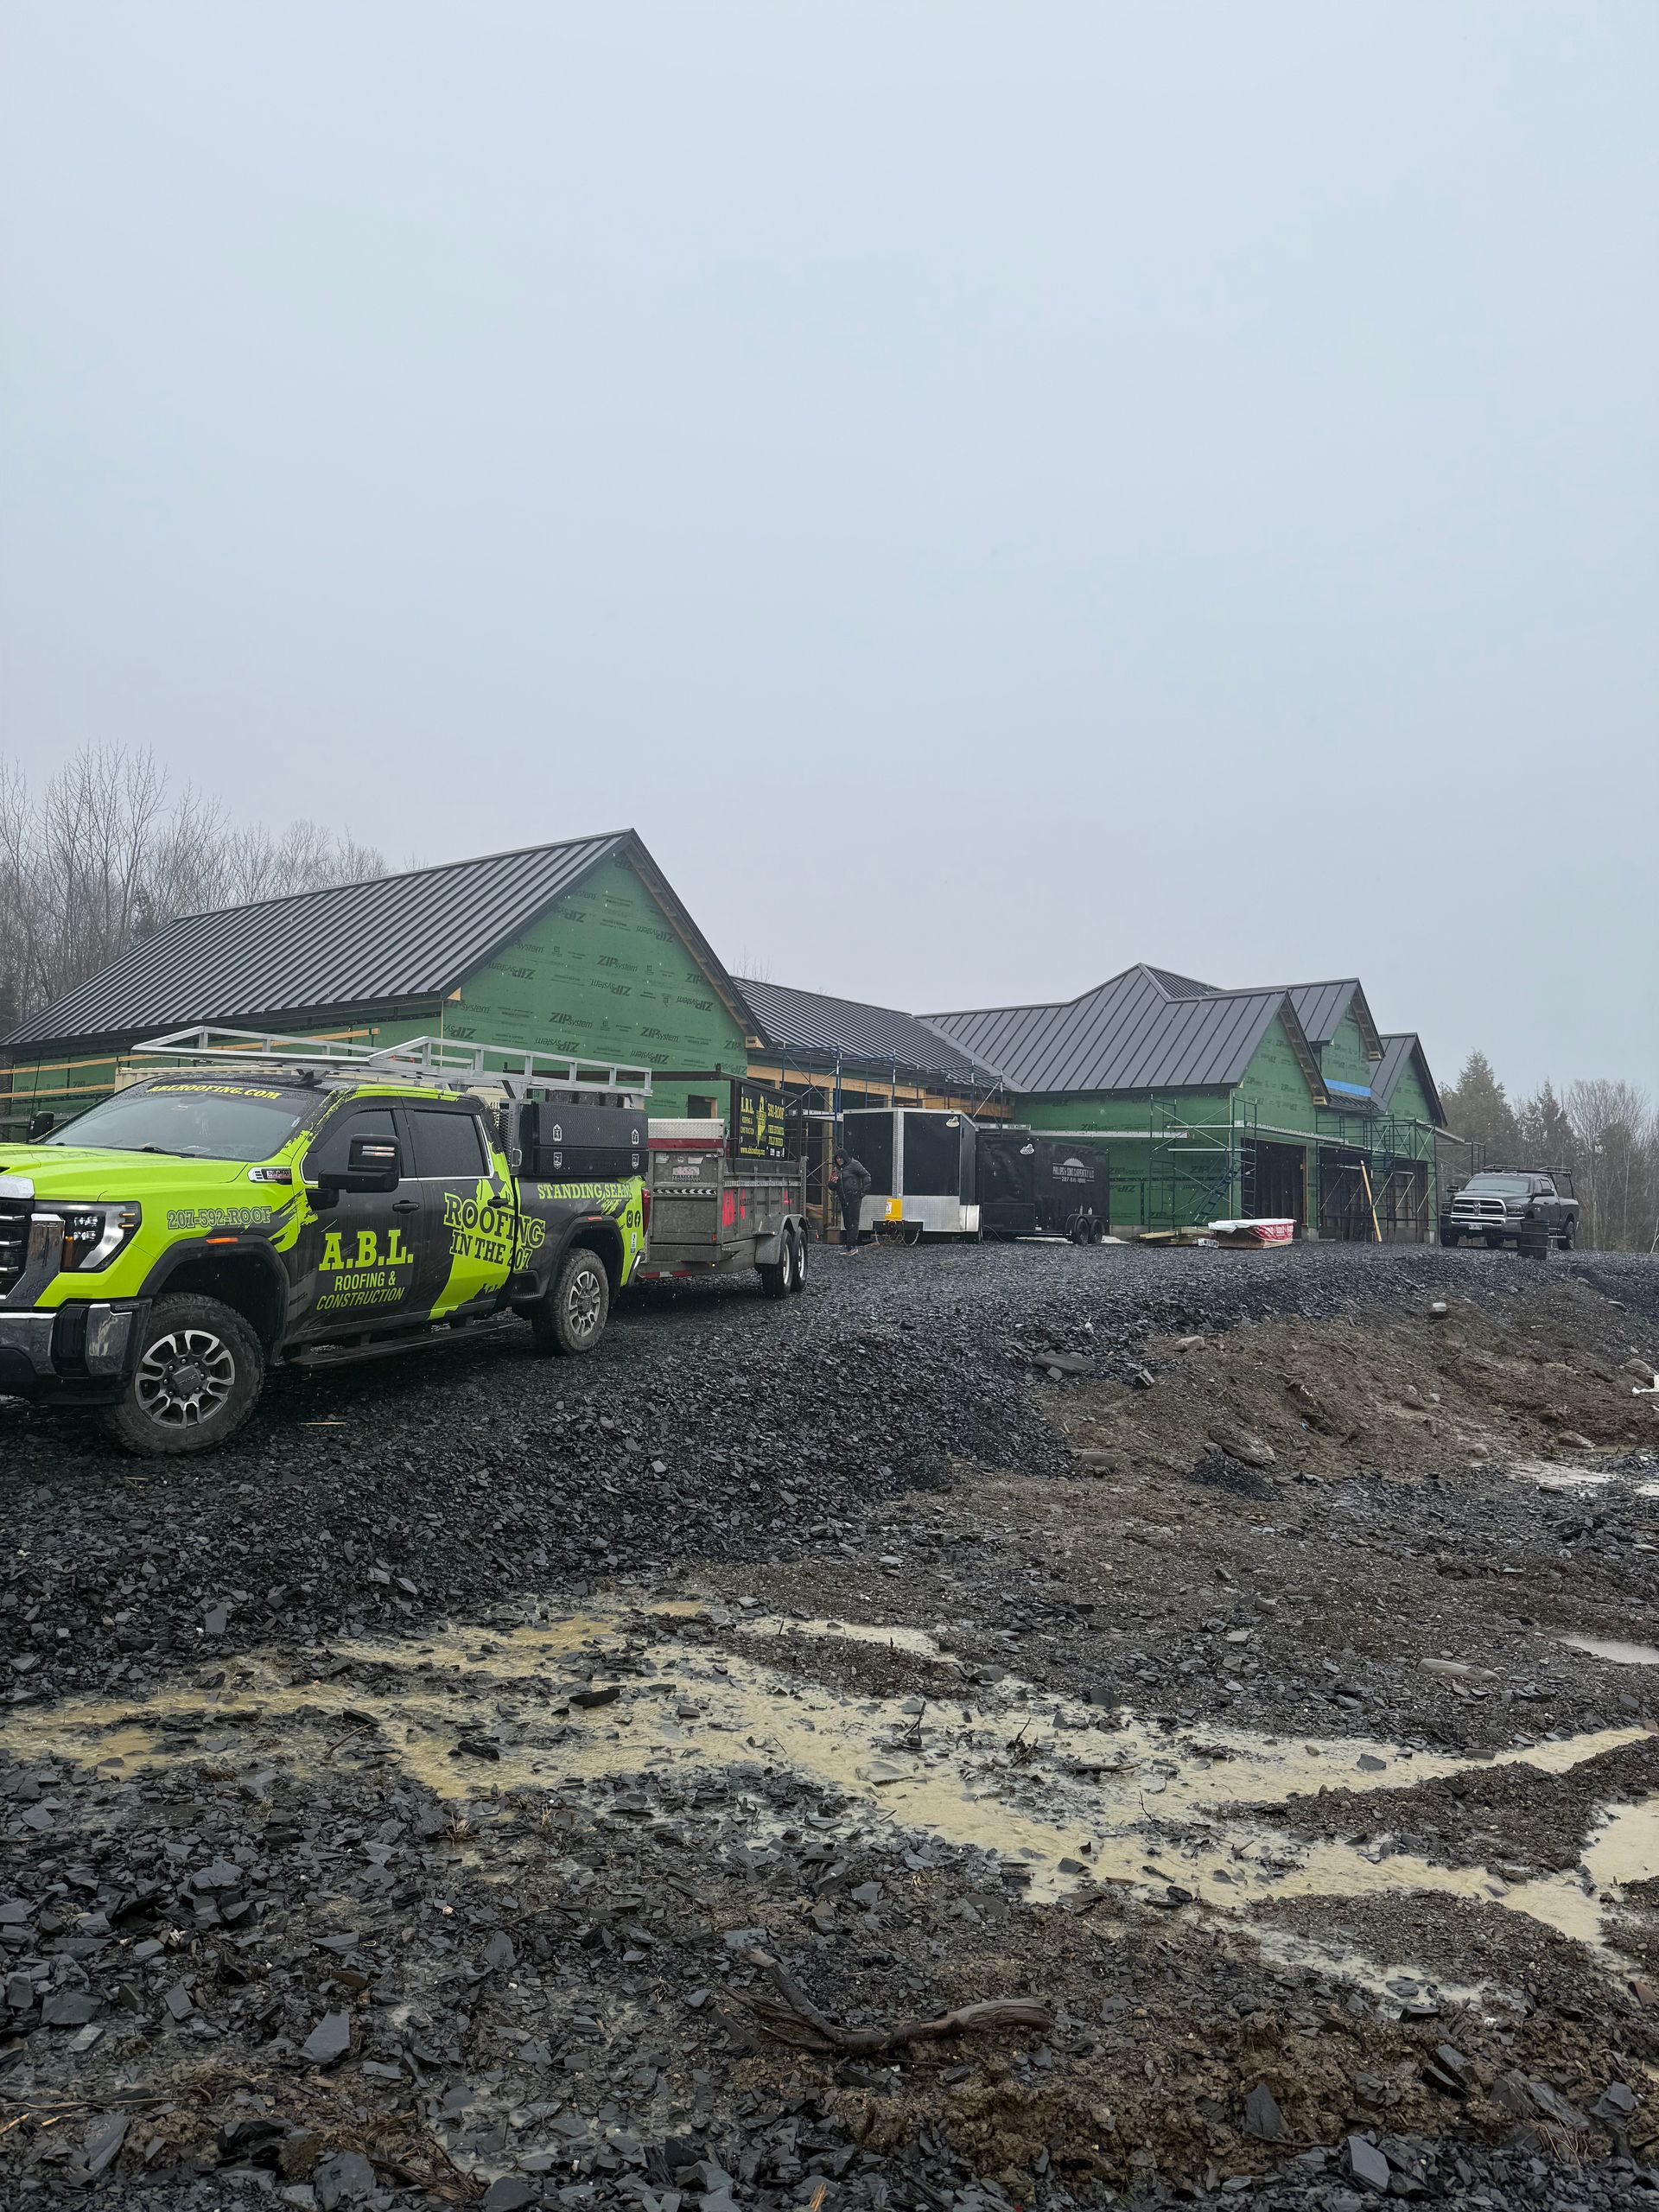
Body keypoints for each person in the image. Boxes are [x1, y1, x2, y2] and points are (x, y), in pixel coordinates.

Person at [831, 1147, 871, 1252]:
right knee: (847, 1223)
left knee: (853, 1222)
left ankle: (851, 1245)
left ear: (844, 1157)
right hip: (844, 1199)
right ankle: (850, 1244)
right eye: (837, 1158)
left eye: (840, 1158)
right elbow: (831, 1187)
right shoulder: (836, 1170)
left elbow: (866, 1175)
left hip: (854, 1197)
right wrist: (833, 1182)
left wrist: (863, 1192)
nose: (839, 1160)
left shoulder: (854, 1164)